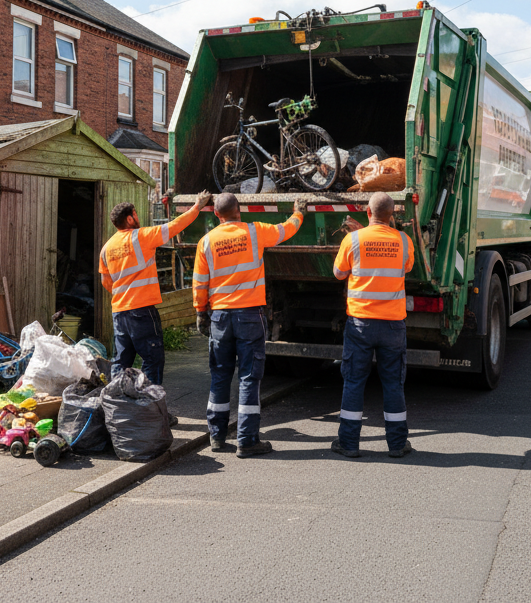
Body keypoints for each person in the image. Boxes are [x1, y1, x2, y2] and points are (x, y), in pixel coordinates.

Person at [193, 192, 306, 457]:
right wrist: (299, 211)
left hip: (220, 317)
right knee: (248, 376)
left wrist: (200, 312)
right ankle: (247, 440)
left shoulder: (206, 242)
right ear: (239, 211)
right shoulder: (255, 233)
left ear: (216, 214)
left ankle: (217, 437)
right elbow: (285, 230)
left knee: (220, 375)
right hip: (248, 316)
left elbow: (200, 282)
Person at [99, 190, 212, 400]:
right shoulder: (141, 237)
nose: (138, 218)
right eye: (136, 215)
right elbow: (175, 226)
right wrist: (197, 206)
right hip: (141, 311)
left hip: (119, 313)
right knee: (152, 360)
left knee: (121, 363)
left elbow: (106, 282)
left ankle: (115, 406)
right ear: (130, 217)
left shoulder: (106, 248)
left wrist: (124, 295)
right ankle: (152, 409)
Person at [330, 192, 415, 458]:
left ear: (368, 212)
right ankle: (398, 444)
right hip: (392, 325)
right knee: (393, 384)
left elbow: (338, 273)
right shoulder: (404, 240)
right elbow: (407, 267)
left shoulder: (352, 239)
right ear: (392, 215)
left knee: (354, 382)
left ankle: (349, 443)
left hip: (360, 325)